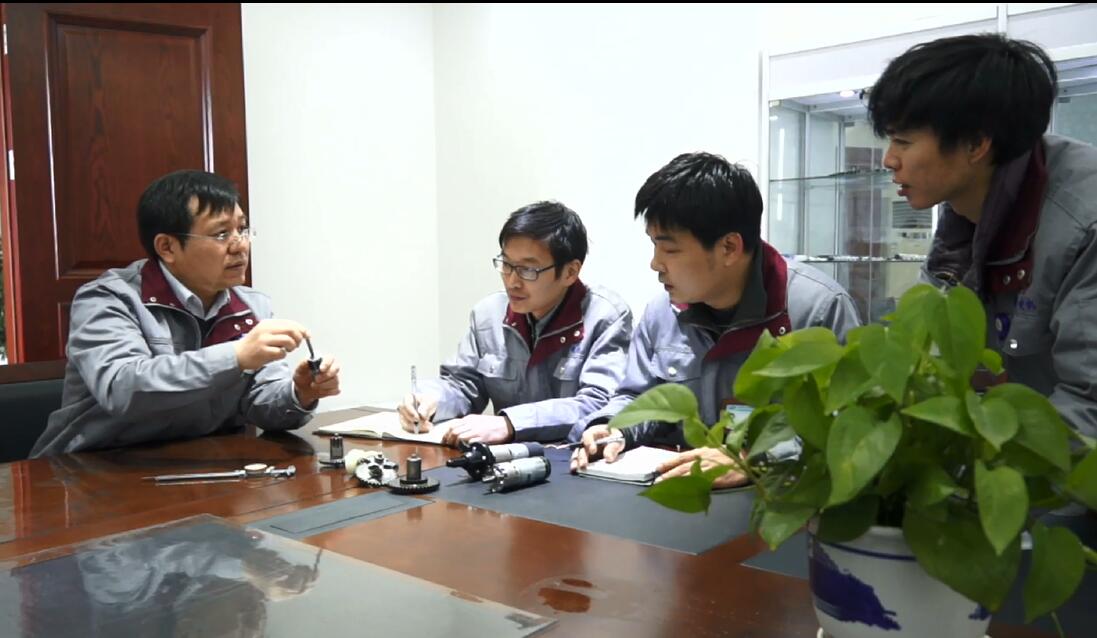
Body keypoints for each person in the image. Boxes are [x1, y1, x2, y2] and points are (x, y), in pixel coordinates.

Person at [570, 152, 860, 486]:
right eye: (654, 245)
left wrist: (755, 459)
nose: (655, 263)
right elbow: (637, 397)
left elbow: (846, 429)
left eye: (670, 249)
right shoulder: (662, 312)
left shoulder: (818, 309)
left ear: (729, 248)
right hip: (679, 496)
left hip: (777, 501)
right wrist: (614, 428)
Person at [867, 33, 1097, 437]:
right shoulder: (963, 214)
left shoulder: (1083, 223)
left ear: (975, 144)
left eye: (903, 141)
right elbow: (921, 357)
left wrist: (969, 464)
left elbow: (1089, 406)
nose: (889, 159)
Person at [31, 170, 340, 456]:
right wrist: (235, 357)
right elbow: (122, 389)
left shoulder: (251, 305)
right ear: (167, 247)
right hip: (90, 469)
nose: (241, 246)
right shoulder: (108, 298)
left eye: (242, 229)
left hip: (196, 466)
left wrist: (300, 393)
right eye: (222, 234)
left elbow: (260, 404)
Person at [397, 201, 632, 445]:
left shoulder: (605, 317)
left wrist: (511, 424)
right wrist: (431, 401)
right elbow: (463, 385)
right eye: (506, 264)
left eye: (528, 270)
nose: (512, 281)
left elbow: (599, 403)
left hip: (573, 457)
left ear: (570, 272)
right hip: (504, 459)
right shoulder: (488, 314)